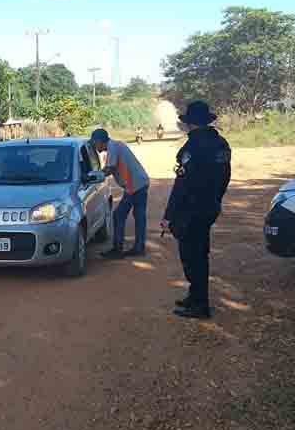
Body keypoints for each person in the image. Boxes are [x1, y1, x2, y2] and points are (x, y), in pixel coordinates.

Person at [161, 101, 231, 319]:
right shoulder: (221, 144)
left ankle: (200, 305)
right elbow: (225, 177)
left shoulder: (192, 147)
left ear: (190, 123)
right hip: (209, 207)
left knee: (192, 257)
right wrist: (215, 200)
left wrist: (169, 215)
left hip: (191, 210)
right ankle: (195, 296)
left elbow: (182, 184)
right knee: (200, 254)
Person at [91, 129, 150, 259]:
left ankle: (117, 249)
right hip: (140, 182)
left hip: (134, 186)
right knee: (139, 216)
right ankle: (139, 247)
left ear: (100, 141)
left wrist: (92, 176)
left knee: (118, 215)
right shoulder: (117, 145)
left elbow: (110, 168)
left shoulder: (113, 147)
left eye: (95, 143)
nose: (95, 146)